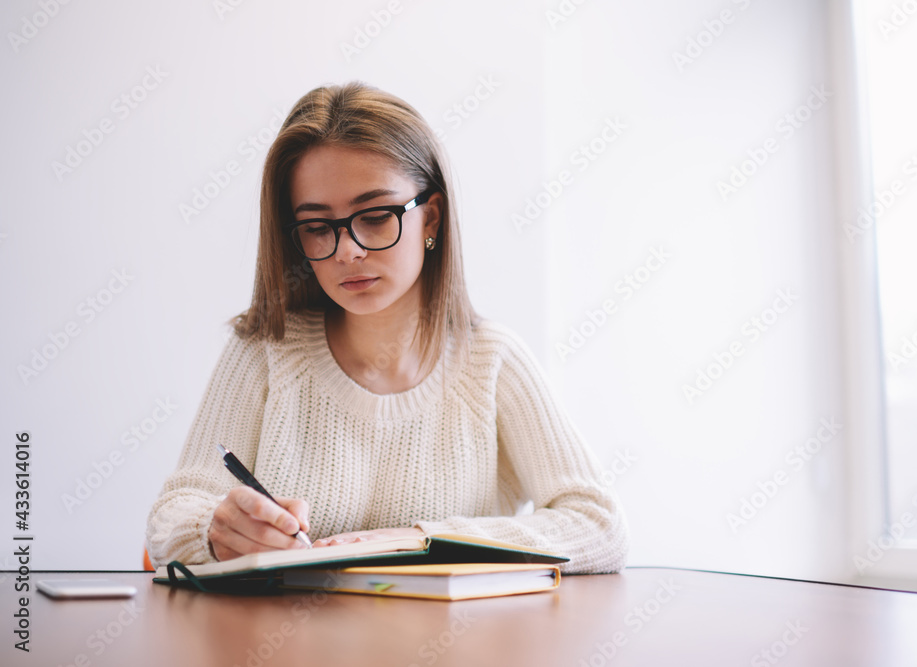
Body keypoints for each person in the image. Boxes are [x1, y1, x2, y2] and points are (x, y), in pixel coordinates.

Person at [145, 82, 628, 574]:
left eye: (376, 217)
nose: (348, 250)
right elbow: (170, 519)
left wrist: (423, 541)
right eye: (317, 227)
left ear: (431, 219)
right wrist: (214, 530)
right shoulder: (265, 350)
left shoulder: (492, 361)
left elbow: (599, 525)